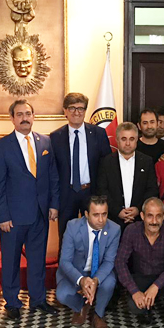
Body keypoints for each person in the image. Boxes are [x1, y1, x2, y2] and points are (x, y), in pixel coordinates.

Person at [0, 99, 59, 320]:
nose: (24, 118)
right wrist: (2, 215)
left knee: (37, 260)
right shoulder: (1, 146)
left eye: (28, 113)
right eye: (19, 114)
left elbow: (53, 176)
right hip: (12, 217)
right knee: (10, 261)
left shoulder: (45, 141)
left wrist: (54, 204)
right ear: (12, 118)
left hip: (40, 213)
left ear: (33, 116)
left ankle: (38, 300)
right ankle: (12, 302)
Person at [115, 198, 164, 328]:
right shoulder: (131, 230)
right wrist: (134, 291)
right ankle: (146, 310)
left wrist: (156, 285)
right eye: (150, 216)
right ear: (142, 216)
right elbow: (120, 262)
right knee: (134, 306)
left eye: (158, 216)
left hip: (163, 279)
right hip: (140, 277)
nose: (154, 221)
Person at [51, 93, 111, 239]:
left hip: (91, 192)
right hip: (66, 194)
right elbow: (53, 172)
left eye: (80, 108)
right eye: (72, 108)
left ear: (85, 110)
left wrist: (103, 197)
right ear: (65, 111)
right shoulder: (55, 137)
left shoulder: (98, 134)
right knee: (66, 237)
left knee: (93, 235)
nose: (76, 112)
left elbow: (107, 166)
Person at [56, 196, 120, 328]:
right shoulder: (72, 227)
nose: (101, 220)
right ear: (86, 214)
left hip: (100, 271)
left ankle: (98, 314)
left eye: (104, 214)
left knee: (109, 282)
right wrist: (81, 280)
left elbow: (109, 261)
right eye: (96, 215)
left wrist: (95, 280)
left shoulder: (114, 229)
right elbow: (65, 261)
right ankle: (81, 306)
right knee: (62, 294)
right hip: (77, 272)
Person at [96, 122, 158, 229]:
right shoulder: (106, 162)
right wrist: (117, 211)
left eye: (132, 139)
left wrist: (138, 209)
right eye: (124, 139)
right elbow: (102, 191)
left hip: (139, 221)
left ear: (137, 140)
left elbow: (152, 189)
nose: (128, 143)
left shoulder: (146, 161)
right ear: (117, 140)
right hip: (113, 221)